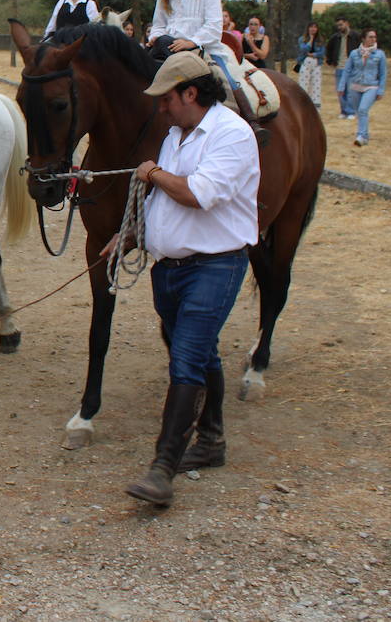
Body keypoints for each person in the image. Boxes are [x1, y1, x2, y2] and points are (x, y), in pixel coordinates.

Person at [104, 51, 259, 507]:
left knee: (187, 359)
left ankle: (162, 469)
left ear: (191, 93)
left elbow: (197, 194)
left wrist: (153, 172)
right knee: (199, 352)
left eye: (166, 98)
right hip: (169, 269)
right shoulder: (176, 135)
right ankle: (211, 441)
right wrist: (131, 234)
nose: (161, 107)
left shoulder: (232, 134)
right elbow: (163, 202)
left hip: (216, 265)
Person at [147, 0, 266, 142]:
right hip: (169, 49)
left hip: (205, 50)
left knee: (226, 79)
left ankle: (249, 122)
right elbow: (158, 24)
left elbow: (213, 26)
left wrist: (192, 42)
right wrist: (156, 37)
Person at [337, 28, 387, 147]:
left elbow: (383, 73)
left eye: (374, 37)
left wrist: (381, 90)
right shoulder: (355, 53)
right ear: (364, 39)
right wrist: (341, 86)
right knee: (359, 112)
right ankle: (365, 135)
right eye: (370, 37)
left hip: (371, 86)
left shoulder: (379, 54)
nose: (373, 39)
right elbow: (347, 70)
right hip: (355, 86)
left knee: (363, 109)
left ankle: (361, 135)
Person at [325, 16, 360, 119]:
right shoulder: (335, 38)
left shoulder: (355, 36)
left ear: (347, 23)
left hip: (352, 68)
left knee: (350, 91)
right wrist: (330, 61)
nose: (340, 27)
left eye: (341, 24)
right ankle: (344, 111)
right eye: (338, 25)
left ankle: (351, 111)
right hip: (339, 67)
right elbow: (329, 49)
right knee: (340, 91)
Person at [296, 21, 325, 109]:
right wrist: (310, 40)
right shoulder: (302, 39)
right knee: (303, 84)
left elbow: (322, 52)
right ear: (308, 28)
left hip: (316, 63)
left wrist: (314, 54)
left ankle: (316, 106)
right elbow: (303, 49)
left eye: (315, 27)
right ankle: (302, 105)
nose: (313, 29)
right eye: (311, 27)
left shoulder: (320, 40)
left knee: (316, 85)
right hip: (305, 63)